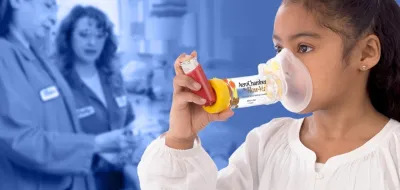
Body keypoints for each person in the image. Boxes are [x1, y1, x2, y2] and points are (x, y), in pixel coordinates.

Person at [137, 0, 400, 189]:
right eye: (278, 49)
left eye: (304, 47)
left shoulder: (394, 153)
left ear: (366, 53)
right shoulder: (265, 144)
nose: (282, 66)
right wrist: (181, 140)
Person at [0, 0, 135, 190]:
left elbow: (61, 131)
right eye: (47, 5)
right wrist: (94, 144)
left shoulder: (37, 58)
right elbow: (20, 141)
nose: (53, 17)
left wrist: (98, 154)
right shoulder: (5, 56)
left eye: (55, 8)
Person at [55, 5, 140, 190]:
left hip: (119, 180)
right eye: (84, 34)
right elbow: (54, 142)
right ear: (68, 37)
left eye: (99, 35)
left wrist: (132, 140)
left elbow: (128, 122)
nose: (92, 42)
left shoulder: (114, 77)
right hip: (81, 181)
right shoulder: (58, 82)